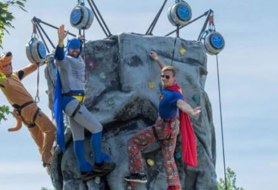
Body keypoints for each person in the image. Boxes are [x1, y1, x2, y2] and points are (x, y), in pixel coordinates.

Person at [124, 51, 201, 190]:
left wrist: (190, 111)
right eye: (162, 77)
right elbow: (166, 69)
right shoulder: (173, 86)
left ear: (173, 78)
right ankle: (175, 186)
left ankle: (138, 172)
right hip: (172, 129)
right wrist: (157, 59)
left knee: (132, 142)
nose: (164, 79)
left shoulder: (174, 94)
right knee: (168, 158)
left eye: (167, 77)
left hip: (163, 128)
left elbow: (181, 103)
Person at [53, 24, 115, 181]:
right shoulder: (65, 61)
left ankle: (84, 168)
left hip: (74, 104)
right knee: (97, 127)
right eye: (72, 49)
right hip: (72, 102)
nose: (74, 51)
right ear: (68, 49)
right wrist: (60, 41)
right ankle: (99, 161)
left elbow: (77, 52)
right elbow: (59, 56)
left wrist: (78, 40)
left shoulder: (77, 58)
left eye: (77, 49)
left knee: (78, 137)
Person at [0, 51, 56, 171]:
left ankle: (49, 168)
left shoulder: (15, 75)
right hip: (29, 109)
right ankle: (46, 158)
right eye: (5, 66)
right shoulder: (2, 80)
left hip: (25, 114)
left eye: (9, 64)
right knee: (51, 130)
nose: (8, 67)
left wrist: (43, 59)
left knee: (41, 142)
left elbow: (31, 67)